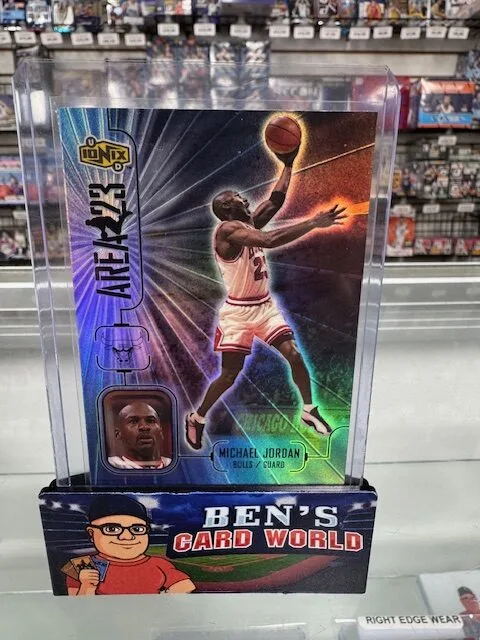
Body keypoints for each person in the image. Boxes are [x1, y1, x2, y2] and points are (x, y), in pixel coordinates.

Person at [185, 142, 346, 449]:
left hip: (264, 307)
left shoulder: (247, 224)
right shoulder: (228, 231)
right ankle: (197, 417)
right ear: (228, 209)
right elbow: (270, 240)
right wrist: (313, 223)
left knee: (294, 355)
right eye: (238, 198)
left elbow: (275, 200)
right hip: (238, 313)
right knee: (229, 375)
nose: (245, 199)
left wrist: (288, 164)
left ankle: (309, 410)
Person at [64, 496, 195, 595]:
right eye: (112, 529)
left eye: (137, 529)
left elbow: (186, 585)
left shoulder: (158, 564)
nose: (127, 536)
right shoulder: (81, 565)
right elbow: (77, 608)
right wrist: (87, 586)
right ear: (92, 533)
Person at [108, 401, 172, 469]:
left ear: (161, 431)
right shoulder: (110, 466)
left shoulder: (174, 465)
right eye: (133, 422)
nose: (144, 427)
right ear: (118, 434)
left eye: (150, 421)